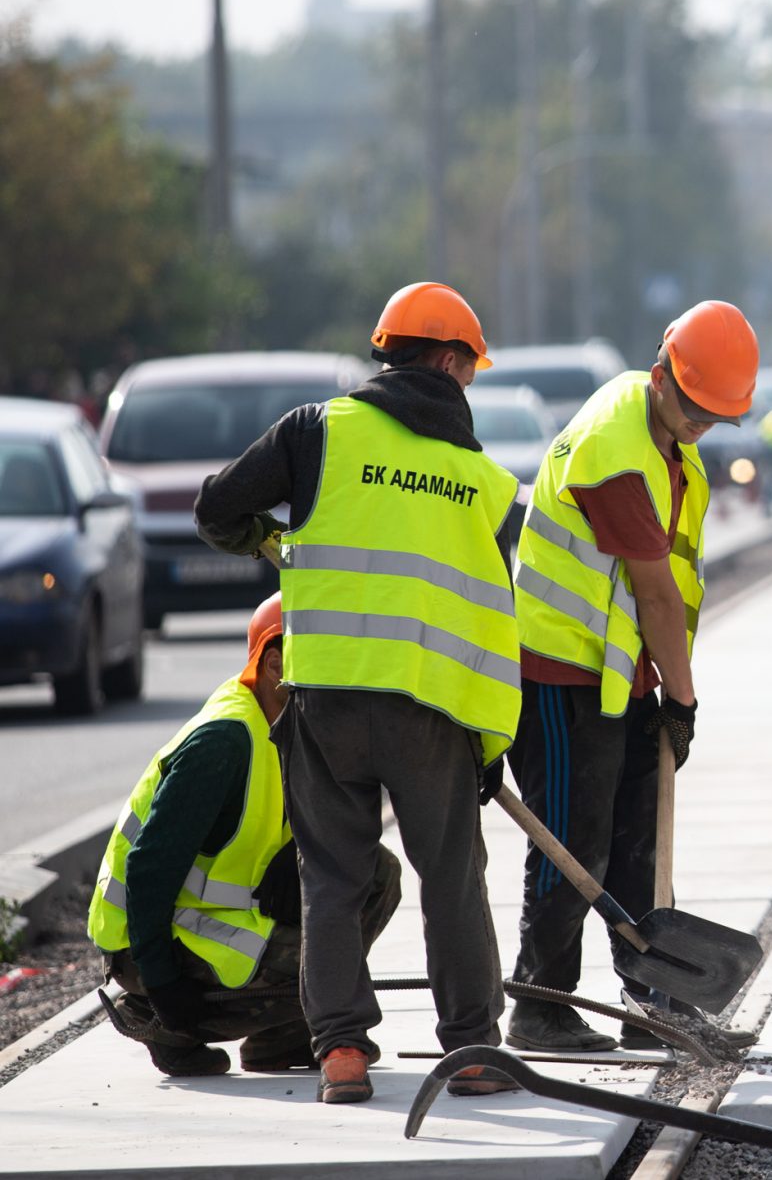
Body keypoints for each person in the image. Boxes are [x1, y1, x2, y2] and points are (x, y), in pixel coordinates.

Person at [194, 282, 522, 1104]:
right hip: (431, 711)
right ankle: (475, 1052)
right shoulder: (483, 483)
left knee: (331, 877)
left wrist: (278, 544)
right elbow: (491, 625)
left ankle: (341, 1051)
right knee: (452, 878)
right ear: (447, 361)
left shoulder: (317, 432)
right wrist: (489, 745)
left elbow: (215, 509)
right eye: (470, 369)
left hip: (327, 700)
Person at [506, 300, 756, 1050]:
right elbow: (652, 591)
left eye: (716, 416)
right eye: (693, 407)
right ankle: (539, 1005)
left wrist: (663, 690)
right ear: (661, 377)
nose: (700, 424)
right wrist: (684, 700)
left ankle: (654, 998)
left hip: (622, 672)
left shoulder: (671, 443)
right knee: (573, 841)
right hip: (557, 669)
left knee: (637, 836)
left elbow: (665, 589)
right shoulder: (616, 449)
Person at [89, 594, 403, 1078]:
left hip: (221, 914)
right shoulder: (223, 742)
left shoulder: (287, 720)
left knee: (374, 871)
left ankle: (281, 1039)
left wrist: (296, 847)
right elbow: (149, 868)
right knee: (322, 958)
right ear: (275, 663)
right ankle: (165, 1024)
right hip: (152, 939)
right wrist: (163, 982)